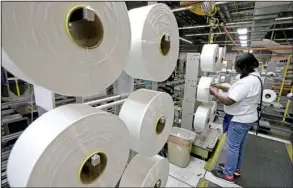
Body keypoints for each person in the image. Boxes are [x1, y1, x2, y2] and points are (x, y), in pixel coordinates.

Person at [209, 53, 262, 183]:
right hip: (248, 117)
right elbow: (237, 89)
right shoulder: (255, 76)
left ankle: (228, 175)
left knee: (232, 147)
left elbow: (228, 101)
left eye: (236, 65)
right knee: (239, 146)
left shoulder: (247, 82)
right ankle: (234, 169)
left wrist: (215, 93)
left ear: (244, 67)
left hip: (239, 119)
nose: (234, 67)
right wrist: (221, 86)